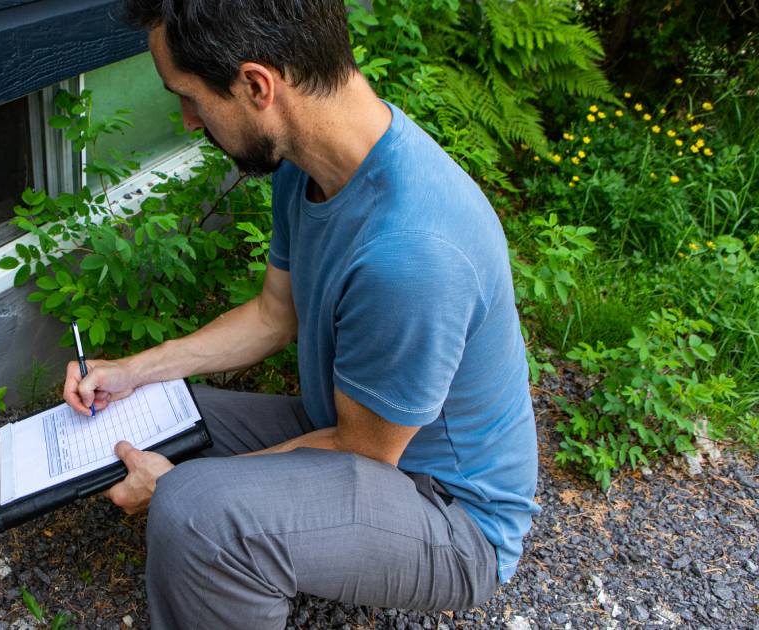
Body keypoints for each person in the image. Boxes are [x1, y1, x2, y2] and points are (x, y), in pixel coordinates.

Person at [61, 1, 540, 627]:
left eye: (191, 98)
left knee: (196, 511)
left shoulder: (412, 253)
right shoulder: (308, 166)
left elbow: (363, 450)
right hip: (346, 431)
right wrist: (132, 370)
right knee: (151, 411)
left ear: (257, 85)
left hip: (449, 517)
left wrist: (174, 486)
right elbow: (272, 315)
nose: (185, 120)